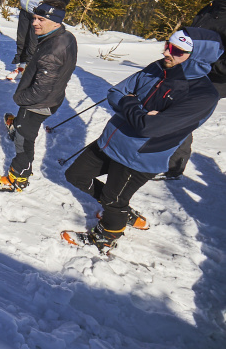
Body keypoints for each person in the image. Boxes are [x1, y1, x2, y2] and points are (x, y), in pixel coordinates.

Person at [63, 28, 223, 253]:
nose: (167, 51)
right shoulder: (158, 67)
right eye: (167, 44)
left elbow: (149, 127)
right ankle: (120, 209)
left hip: (140, 157)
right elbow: (116, 93)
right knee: (76, 176)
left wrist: (131, 104)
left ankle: (107, 235)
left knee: (112, 198)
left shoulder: (203, 96)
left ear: (197, 57)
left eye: (177, 49)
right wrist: (136, 108)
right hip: (113, 139)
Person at [0, 1, 77, 192]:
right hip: (52, 97)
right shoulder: (65, 37)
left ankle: (18, 177)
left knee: (25, 139)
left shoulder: (52, 51)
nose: (35, 23)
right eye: (34, 18)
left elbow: (39, 91)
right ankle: (17, 126)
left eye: (41, 19)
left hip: (38, 104)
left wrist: (20, 98)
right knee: (23, 126)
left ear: (56, 22)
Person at [160, 0, 226, 179]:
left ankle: (172, 167)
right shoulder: (208, 9)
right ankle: (160, 155)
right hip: (190, 70)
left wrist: (200, 61)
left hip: (214, 80)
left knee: (183, 115)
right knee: (166, 105)